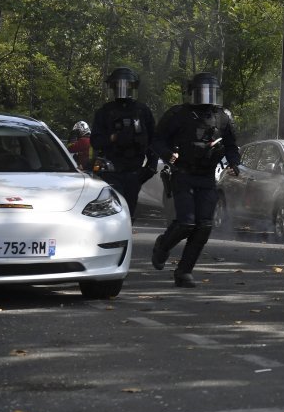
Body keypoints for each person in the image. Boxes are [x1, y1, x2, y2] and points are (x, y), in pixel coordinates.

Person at [150, 72, 240, 288]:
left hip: (208, 177)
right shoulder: (178, 115)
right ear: (192, 93)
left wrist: (234, 162)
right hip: (183, 174)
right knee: (186, 223)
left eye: (211, 93)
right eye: (202, 93)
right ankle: (163, 246)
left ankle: (184, 272)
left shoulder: (223, 117)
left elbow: (231, 145)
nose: (207, 98)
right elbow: (157, 140)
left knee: (204, 226)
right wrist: (169, 155)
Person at [91, 67, 157, 219]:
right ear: (113, 87)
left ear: (133, 87)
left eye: (126, 85)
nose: (123, 89)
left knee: (129, 212)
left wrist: (151, 167)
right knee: (115, 212)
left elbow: (153, 140)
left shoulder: (142, 111)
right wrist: (112, 138)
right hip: (111, 172)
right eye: (119, 86)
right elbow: (96, 141)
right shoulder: (105, 112)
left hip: (135, 172)